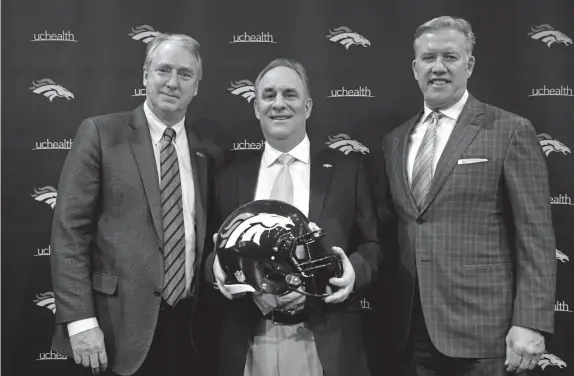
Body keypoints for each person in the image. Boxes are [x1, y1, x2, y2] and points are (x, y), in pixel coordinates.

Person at [381, 16, 556, 375]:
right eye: (428, 58)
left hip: (485, 335)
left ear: (470, 64)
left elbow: (535, 236)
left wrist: (531, 321)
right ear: (415, 68)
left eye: (451, 57)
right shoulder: (395, 141)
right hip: (410, 335)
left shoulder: (509, 130)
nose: (439, 67)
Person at [50, 33, 215, 375]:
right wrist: (80, 320)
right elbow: (69, 232)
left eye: (185, 75)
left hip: (189, 331)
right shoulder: (101, 133)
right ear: (145, 75)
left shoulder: (206, 153)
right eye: (163, 70)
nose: (172, 82)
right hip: (114, 331)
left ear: (197, 87)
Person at [205, 58, 383, 376]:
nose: (279, 104)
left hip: (324, 340)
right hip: (249, 339)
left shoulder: (347, 170)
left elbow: (372, 244)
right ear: (256, 107)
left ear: (308, 106)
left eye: (290, 94)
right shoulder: (228, 173)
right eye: (268, 95)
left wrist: (352, 272)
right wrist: (218, 268)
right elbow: (208, 250)